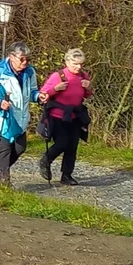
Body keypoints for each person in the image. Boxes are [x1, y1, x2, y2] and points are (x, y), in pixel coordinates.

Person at [0, 42, 38, 186]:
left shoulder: (30, 72)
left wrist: (38, 97)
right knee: (4, 148)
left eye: (27, 59)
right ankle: (3, 182)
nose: (25, 62)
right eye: (22, 59)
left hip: (18, 118)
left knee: (20, 147)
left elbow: (32, 92)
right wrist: (0, 103)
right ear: (11, 57)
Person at [38, 47, 92, 185]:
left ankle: (66, 175)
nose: (78, 67)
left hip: (75, 115)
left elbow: (86, 95)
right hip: (57, 116)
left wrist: (88, 88)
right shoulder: (58, 76)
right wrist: (55, 89)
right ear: (67, 62)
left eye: (81, 64)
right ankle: (46, 160)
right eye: (75, 63)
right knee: (62, 143)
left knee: (72, 146)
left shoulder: (84, 76)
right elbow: (43, 95)